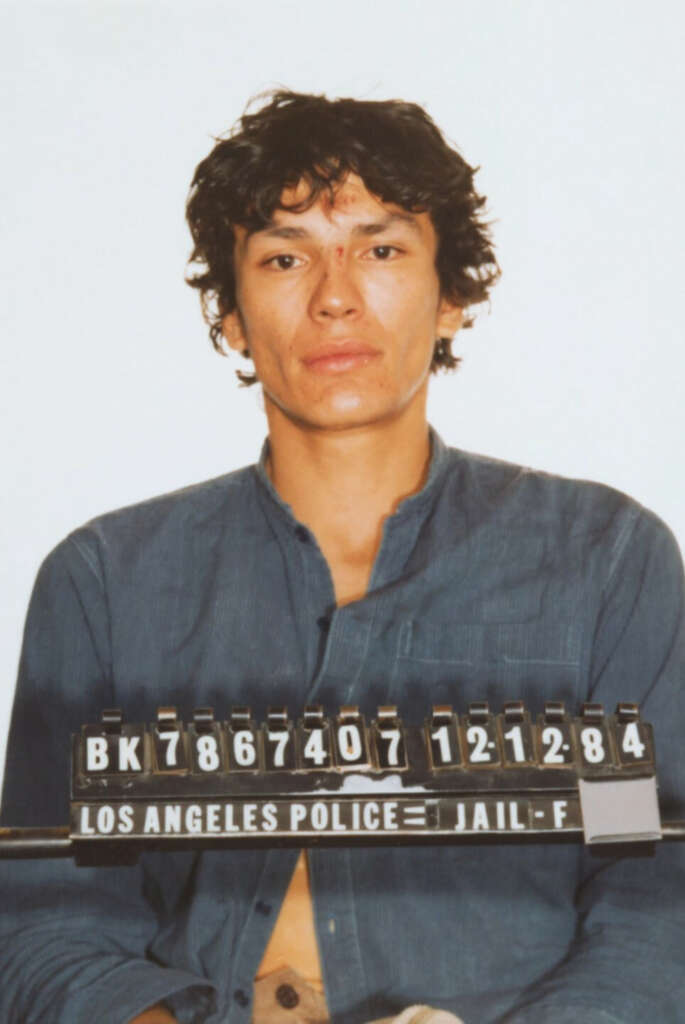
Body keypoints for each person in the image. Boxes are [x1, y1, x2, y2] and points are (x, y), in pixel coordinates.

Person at [1, 89, 684, 1024]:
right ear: (232, 315)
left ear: (451, 297)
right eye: (284, 256)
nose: (333, 295)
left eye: (381, 249)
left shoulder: (603, 565)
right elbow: (48, 911)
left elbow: (647, 881)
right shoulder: (106, 582)